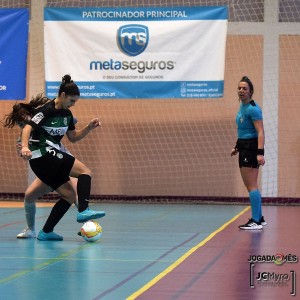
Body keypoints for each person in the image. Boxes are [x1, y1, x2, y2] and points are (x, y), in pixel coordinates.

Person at [20, 74, 106, 240]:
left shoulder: (67, 115)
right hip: (43, 155)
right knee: (85, 171)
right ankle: (84, 210)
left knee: (69, 195)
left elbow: (73, 138)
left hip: (47, 160)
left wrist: (88, 127)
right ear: (63, 95)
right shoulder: (46, 110)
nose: (73, 105)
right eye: (72, 101)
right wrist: (24, 146)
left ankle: (46, 232)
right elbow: (27, 129)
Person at [2, 96, 78, 238]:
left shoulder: (45, 119)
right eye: (20, 124)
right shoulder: (23, 138)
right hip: (47, 169)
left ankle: (89, 225)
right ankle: (31, 230)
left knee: (74, 194)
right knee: (29, 196)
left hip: (63, 162)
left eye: (24, 121)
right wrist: (24, 151)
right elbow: (29, 155)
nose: (22, 126)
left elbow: (72, 121)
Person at [230, 76, 267, 230]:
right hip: (244, 147)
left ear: (251, 91)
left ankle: (256, 221)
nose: (241, 91)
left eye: (245, 88)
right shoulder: (242, 106)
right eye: (239, 88)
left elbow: (260, 132)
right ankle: (260, 218)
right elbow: (244, 130)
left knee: (251, 186)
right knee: (251, 185)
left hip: (251, 149)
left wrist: (260, 153)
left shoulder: (253, 108)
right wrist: (237, 147)